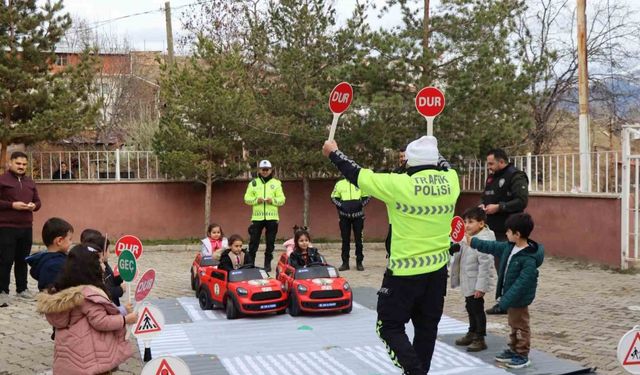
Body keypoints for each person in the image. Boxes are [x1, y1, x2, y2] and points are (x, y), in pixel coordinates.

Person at [323, 135, 459, 375]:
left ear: (409, 162)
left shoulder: (398, 184)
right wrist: (433, 145)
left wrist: (333, 153)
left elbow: (357, 174)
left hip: (405, 272)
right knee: (427, 329)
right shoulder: (452, 181)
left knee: (388, 326)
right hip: (437, 271)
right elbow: (445, 164)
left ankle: (414, 371)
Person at [35, 245, 137, 374]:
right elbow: (101, 321)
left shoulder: (65, 290)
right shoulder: (89, 295)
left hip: (70, 358)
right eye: (100, 263)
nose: (104, 267)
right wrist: (125, 319)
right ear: (90, 269)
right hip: (92, 360)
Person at [466, 213, 543, 369]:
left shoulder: (528, 259)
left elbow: (521, 284)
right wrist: (473, 242)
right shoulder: (510, 247)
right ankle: (513, 349)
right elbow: (492, 247)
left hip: (519, 299)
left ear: (517, 234)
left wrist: (504, 302)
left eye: (508, 232)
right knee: (513, 324)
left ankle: (522, 355)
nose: (505, 234)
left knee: (521, 326)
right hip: (510, 298)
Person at [480, 148, 529, 315]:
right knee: (500, 266)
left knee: (508, 267)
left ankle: (508, 303)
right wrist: (484, 206)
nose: (489, 167)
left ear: (502, 161)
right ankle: (505, 300)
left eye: (491, 163)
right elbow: (487, 196)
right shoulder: (492, 176)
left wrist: (500, 207)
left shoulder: (516, 176)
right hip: (495, 230)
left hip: (509, 230)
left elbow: (521, 201)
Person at [450, 207, 495, 352]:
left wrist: (481, 287)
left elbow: (486, 266)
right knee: (470, 307)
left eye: (471, 222)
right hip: (468, 280)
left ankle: (480, 338)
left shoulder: (484, 241)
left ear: (481, 224)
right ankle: (471, 332)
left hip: (476, 283)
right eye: (465, 222)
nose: (466, 225)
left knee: (477, 310)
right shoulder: (467, 236)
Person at [0, 151, 41, 306]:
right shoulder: (2, 180)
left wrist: (33, 206)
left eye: (24, 164)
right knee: (5, 260)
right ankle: (2, 291)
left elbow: (38, 202)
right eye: (18, 163)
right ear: (10, 163)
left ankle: (22, 289)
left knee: (23, 259)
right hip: (6, 227)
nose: (21, 167)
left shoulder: (30, 182)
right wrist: (12, 205)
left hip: (26, 226)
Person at [244, 159, 286, 272]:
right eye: (263, 169)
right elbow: (246, 199)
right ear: (259, 170)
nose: (265, 171)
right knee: (253, 242)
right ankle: (250, 263)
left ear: (271, 170)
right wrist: (256, 200)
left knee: (270, 242)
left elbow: (282, 200)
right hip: (257, 217)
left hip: (272, 217)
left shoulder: (276, 183)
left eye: (267, 169)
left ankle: (267, 264)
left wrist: (272, 200)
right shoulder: (253, 183)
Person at [331, 178, 370, 271]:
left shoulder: (360, 182)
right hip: (344, 217)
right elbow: (333, 197)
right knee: (345, 240)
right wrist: (341, 205)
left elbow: (367, 196)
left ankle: (359, 262)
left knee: (359, 240)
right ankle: (345, 263)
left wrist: (360, 204)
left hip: (358, 217)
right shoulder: (339, 183)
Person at [80, 229, 125, 309]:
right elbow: (102, 292)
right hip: (106, 308)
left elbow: (111, 280)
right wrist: (120, 290)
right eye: (108, 250)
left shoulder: (105, 263)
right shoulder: (91, 271)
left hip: (113, 306)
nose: (109, 253)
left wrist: (119, 277)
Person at [26, 218, 74, 291]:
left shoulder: (46, 259)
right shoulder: (54, 265)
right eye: (70, 239)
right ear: (59, 241)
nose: (71, 242)